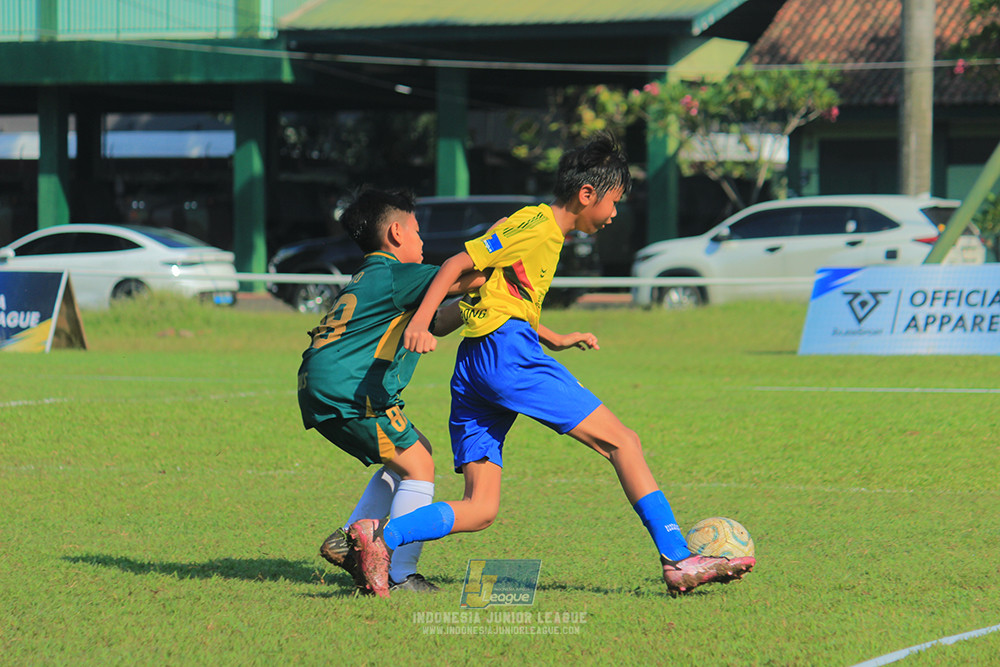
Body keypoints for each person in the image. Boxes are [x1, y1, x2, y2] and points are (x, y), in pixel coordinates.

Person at [345, 133, 755, 597]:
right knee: (623, 442)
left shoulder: (546, 234)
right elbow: (457, 263)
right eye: (614, 202)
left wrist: (555, 337)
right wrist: (421, 322)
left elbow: (504, 296)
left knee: (481, 508)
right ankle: (677, 559)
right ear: (587, 195)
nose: (615, 213)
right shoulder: (537, 224)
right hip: (507, 356)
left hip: (477, 365)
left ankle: (378, 538)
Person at [297, 187, 484, 597]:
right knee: (419, 465)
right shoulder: (398, 275)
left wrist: (474, 306)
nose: (422, 240)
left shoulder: (372, 276)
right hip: (350, 388)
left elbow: (436, 322)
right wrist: (506, 254)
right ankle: (399, 573)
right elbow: (468, 278)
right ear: (396, 233)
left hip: (324, 384)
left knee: (413, 451)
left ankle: (350, 540)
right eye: (417, 231)